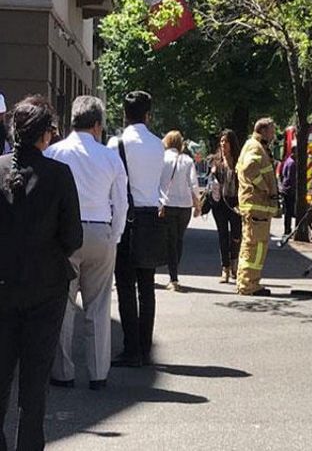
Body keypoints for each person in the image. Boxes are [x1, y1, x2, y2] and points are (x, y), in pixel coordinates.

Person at [0, 95, 82, 449]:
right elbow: (73, 237)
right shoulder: (59, 175)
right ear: (45, 136)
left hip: (3, 286)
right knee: (34, 387)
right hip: (46, 288)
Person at [45, 96, 128, 392]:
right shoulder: (110, 157)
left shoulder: (55, 152)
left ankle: (63, 372)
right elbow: (121, 203)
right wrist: (113, 235)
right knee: (99, 305)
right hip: (100, 231)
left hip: (63, 237)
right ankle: (98, 374)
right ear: (97, 125)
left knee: (63, 304)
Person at [107, 91, 165, 367]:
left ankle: (131, 349)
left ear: (124, 113)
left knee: (126, 286)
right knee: (147, 286)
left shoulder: (115, 144)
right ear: (148, 114)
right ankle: (145, 347)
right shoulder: (159, 145)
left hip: (125, 220)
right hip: (151, 218)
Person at [236, 117, 279, 296]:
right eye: (272, 130)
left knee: (253, 245)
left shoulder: (254, 145)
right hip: (257, 205)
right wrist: (266, 188)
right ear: (262, 130)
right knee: (254, 246)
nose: (274, 134)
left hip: (257, 206)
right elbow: (249, 169)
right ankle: (249, 284)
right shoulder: (255, 146)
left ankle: (248, 282)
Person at [160, 130, 200, 293]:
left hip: (167, 203)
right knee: (178, 240)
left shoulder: (161, 159)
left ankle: (173, 277)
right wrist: (197, 204)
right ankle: (174, 274)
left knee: (169, 240)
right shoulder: (188, 160)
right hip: (184, 206)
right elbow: (194, 184)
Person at [209, 129, 242, 283]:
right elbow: (211, 184)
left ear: (232, 143)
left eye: (226, 141)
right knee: (222, 235)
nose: (223, 144)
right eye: (222, 141)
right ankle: (225, 269)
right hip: (220, 203)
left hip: (236, 203)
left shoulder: (239, 162)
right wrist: (213, 173)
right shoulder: (216, 161)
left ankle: (235, 263)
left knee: (236, 235)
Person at [279, 143, 296, 235]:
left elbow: (283, 175)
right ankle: (287, 229)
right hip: (289, 190)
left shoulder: (287, 161)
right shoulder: (292, 163)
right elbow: (291, 178)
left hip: (285, 189)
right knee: (289, 211)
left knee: (287, 212)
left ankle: (287, 229)